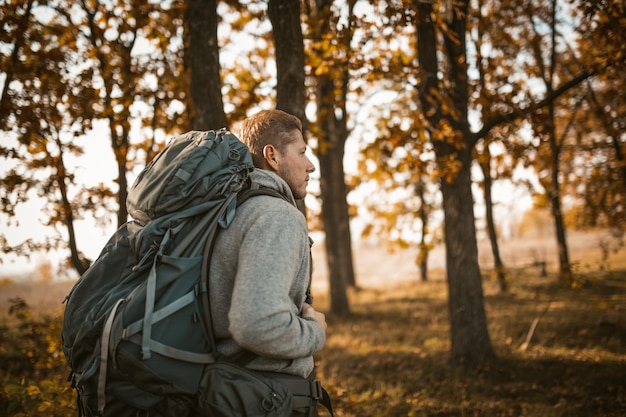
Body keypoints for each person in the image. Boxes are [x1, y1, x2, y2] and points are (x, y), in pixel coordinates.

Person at [208, 109, 329, 416]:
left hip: (233, 394)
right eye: (301, 152)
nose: (311, 165)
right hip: (268, 399)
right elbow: (256, 325)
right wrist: (315, 331)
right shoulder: (276, 217)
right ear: (272, 156)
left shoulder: (231, 213)